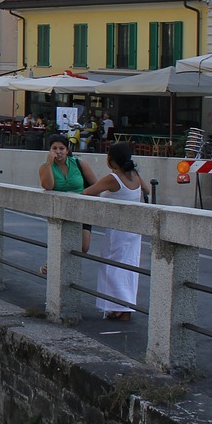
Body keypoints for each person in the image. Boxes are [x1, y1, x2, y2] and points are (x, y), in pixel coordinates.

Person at [82, 142, 149, 321]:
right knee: (129, 267)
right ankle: (125, 306)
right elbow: (147, 189)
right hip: (134, 229)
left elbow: (87, 192)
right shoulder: (134, 174)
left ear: (111, 159)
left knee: (111, 267)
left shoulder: (114, 178)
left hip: (117, 229)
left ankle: (116, 307)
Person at [38, 135, 93, 275]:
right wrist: (49, 164)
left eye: (62, 148)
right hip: (60, 210)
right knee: (61, 242)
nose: (58, 151)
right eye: (54, 148)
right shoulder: (45, 167)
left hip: (81, 208)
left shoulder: (79, 163)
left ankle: (55, 264)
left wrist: (85, 197)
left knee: (83, 246)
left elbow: (95, 185)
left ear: (67, 150)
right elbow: (48, 186)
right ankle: (54, 265)